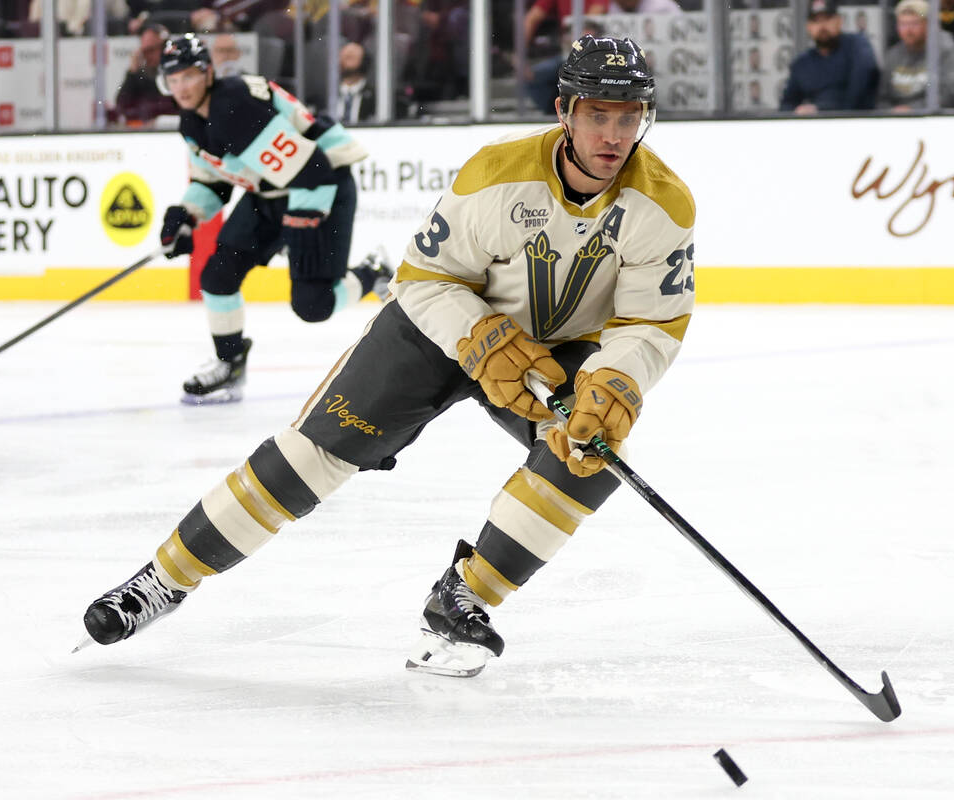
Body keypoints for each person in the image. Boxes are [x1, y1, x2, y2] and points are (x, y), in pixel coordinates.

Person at [79, 35, 696, 679]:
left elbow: (652, 319)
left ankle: (466, 596)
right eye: (599, 113)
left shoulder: (664, 204)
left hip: (557, 351)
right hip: (437, 328)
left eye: (630, 116)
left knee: (591, 454)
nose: (615, 134)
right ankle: (162, 580)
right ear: (565, 111)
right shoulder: (496, 173)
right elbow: (427, 277)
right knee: (310, 455)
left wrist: (618, 379)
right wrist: (479, 336)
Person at [150, 34, 392, 404]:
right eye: (173, 79)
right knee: (217, 276)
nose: (181, 87)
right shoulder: (193, 121)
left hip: (323, 184)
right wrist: (187, 216)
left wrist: (302, 220)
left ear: (208, 73)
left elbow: (313, 168)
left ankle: (371, 273)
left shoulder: (234, 106)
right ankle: (229, 363)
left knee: (313, 305)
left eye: (189, 76)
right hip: (275, 192)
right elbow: (212, 181)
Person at [878, 0, 954, 110]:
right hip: (900, 121)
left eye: (914, 23)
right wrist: (890, 112)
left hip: (953, 118)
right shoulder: (893, 55)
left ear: (929, 24)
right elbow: (882, 98)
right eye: (903, 24)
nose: (908, 30)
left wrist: (912, 109)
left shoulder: (947, 49)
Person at [779, 0, 878, 114]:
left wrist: (821, 110)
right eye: (816, 21)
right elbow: (786, 105)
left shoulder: (857, 47)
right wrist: (798, 111)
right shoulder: (802, 63)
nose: (822, 26)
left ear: (839, 21)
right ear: (808, 27)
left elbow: (859, 94)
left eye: (827, 19)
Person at [114, 23, 179, 125]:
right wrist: (132, 71)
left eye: (151, 50)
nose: (147, 56)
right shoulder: (139, 76)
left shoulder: (178, 72)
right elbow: (122, 106)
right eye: (144, 51)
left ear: (164, 48)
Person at [335, 41, 375, 123]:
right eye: (342, 57)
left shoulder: (375, 97)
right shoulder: (328, 96)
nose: (344, 61)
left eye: (350, 57)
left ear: (364, 62)